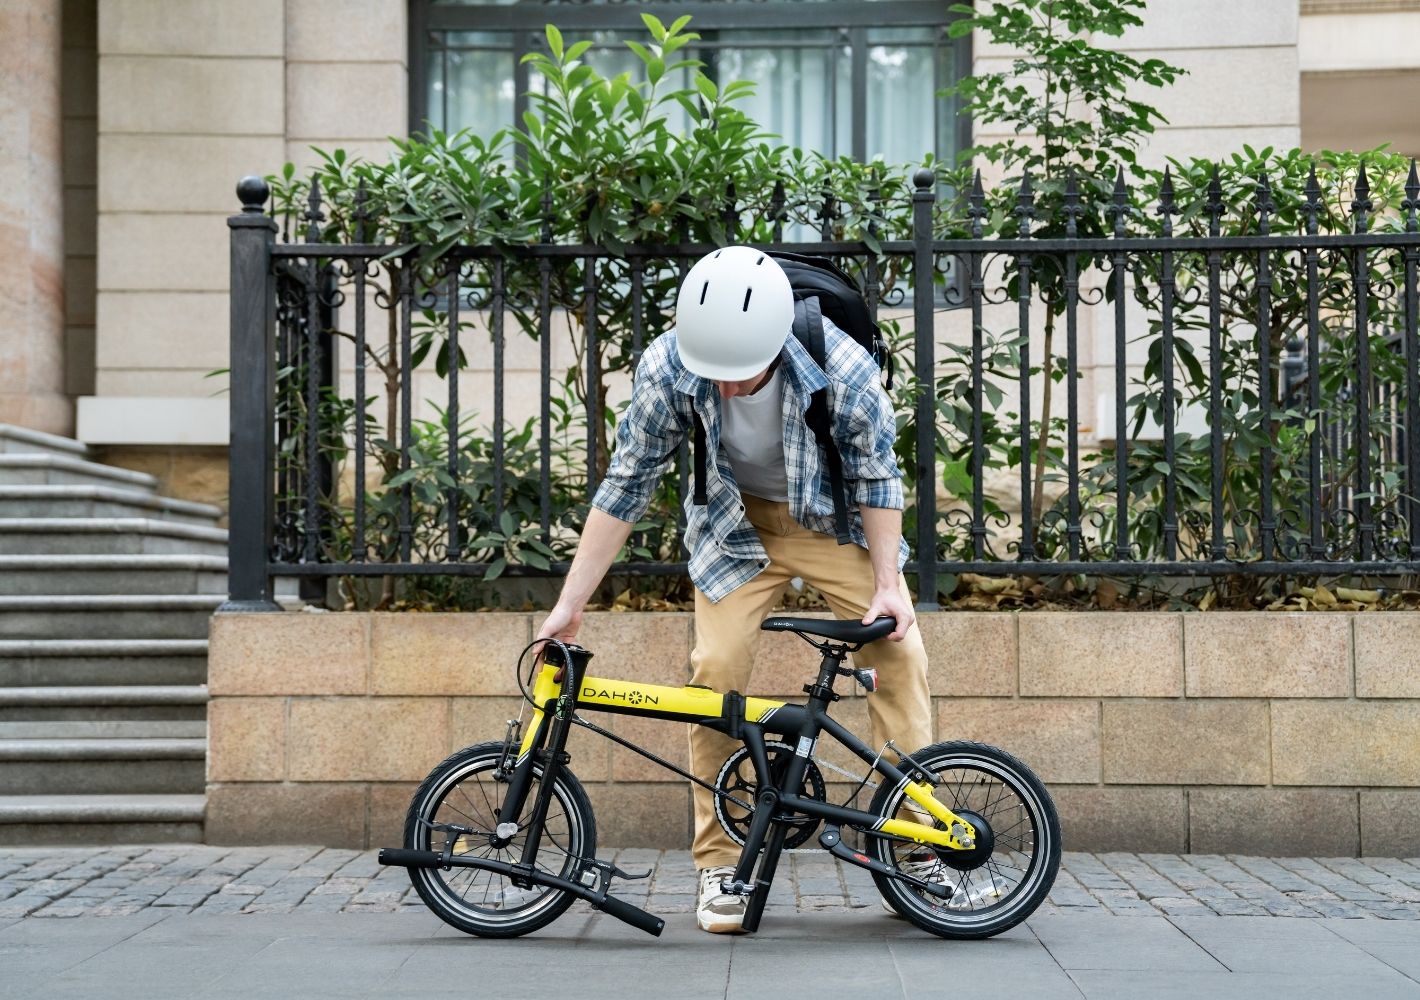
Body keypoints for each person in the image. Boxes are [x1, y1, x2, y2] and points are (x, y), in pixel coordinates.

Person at [533, 246, 932, 934]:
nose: (719, 388)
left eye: (736, 374)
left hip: (830, 522)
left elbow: (877, 478)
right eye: (709, 371)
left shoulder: (841, 365)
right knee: (713, 675)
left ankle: (912, 835)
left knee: (899, 656)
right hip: (734, 524)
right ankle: (722, 860)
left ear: (775, 345)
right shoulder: (669, 364)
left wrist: (890, 587)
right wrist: (570, 604)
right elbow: (626, 485)